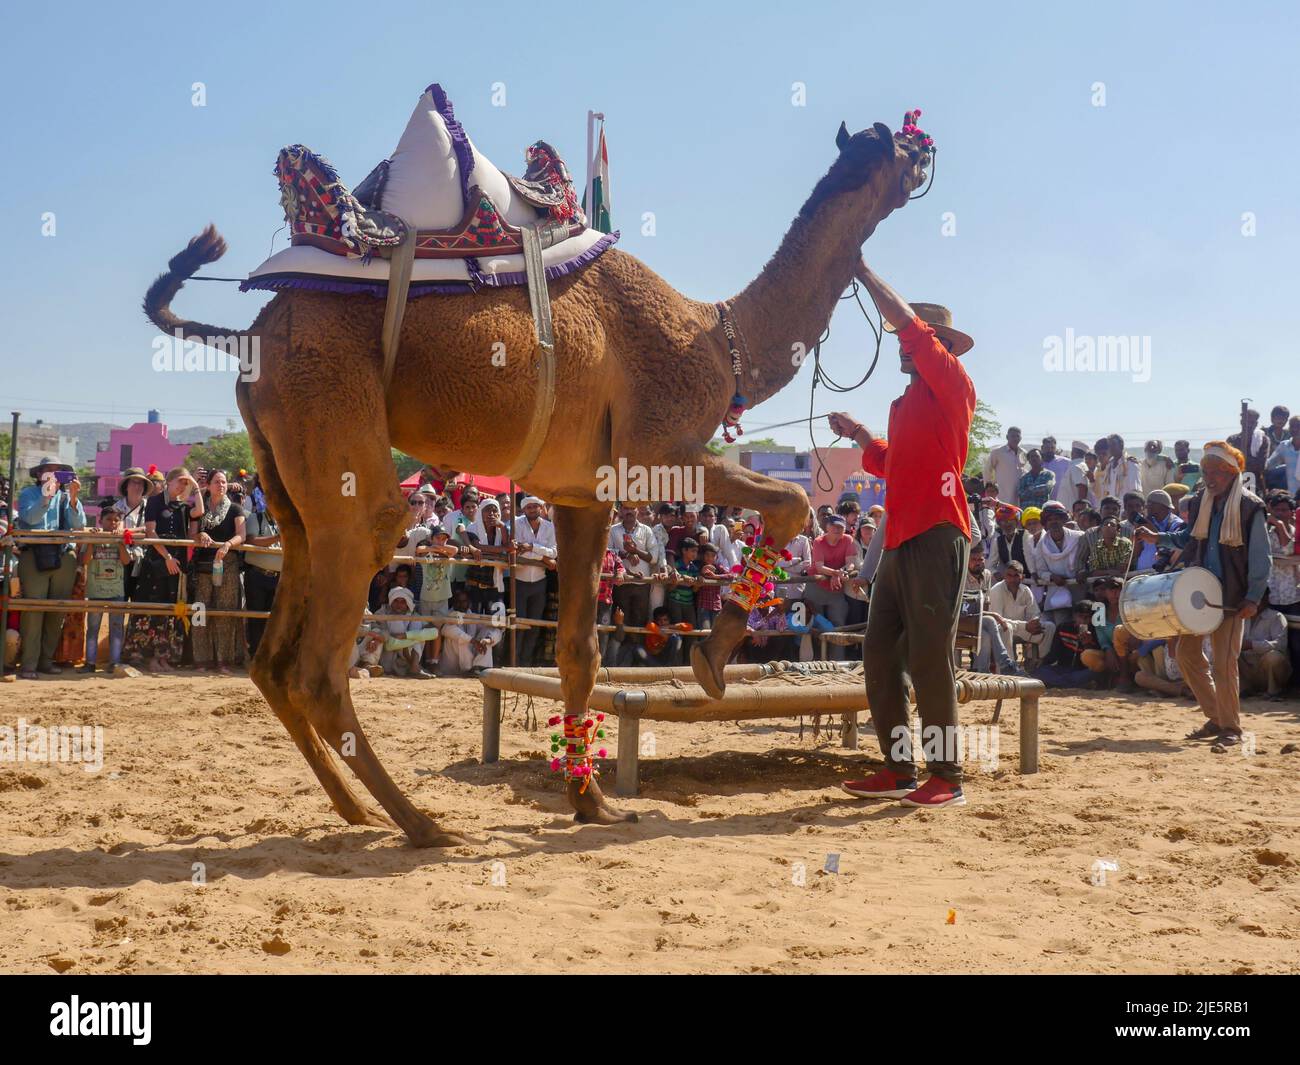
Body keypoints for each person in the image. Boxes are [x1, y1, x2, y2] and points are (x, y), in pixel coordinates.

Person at [831, 260, 977, 809]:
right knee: (879, 654)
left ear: (935, 346)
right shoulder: (907, 403)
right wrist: (860, 432)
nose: (900, 343)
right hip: (900, 540)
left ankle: (947, 775)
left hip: (937, 535)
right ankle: (898, 770)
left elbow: (907, 325)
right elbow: (895, 464)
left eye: (911, 337)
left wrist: (863, 271)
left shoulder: (952, 382)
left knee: (928, 657)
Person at [1135, 441, 1271, 747]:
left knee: (1224, 663)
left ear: (1231, 474)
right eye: (1206, 472)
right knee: (1186, 653)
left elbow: (1262, 558)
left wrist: (1253, 597)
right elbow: (1187, 537)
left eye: (1216, 473)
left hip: (1232, 598)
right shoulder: (1201, 503)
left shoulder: (1250, 507)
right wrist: (1159, 537)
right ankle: (1216, 718)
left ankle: (1232, 729)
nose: (1209, 478)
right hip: (1198, 592)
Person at [14, 457, 87, 679]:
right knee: (34, 611)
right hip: (33, 555)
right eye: (49, 471)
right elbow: (30, 518)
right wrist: (46, 496)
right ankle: (29, 664)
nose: (54, 475)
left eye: (58, 472)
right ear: (39, 475)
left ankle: (46, 661)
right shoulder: (28, 494)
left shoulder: (66, 496)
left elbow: (78, 525)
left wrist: (74, 498)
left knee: (56, 610)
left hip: (63, 556)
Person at [125, 467, 203, 672]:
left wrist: (195, 488)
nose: (182, 486)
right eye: (180, 482)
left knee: (170, 609)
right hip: (156, 562)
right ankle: (147, 657)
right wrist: (166, 556)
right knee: (153, 607)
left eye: (184, 483)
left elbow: (199, 511)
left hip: (176, 563)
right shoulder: (155, 501)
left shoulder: (182, 506)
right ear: (169, 481)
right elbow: (151, 531)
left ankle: (163, 657)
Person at [191, 470, 246, 673]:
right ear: (209, 485)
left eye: (224, 482)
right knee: (200, 611)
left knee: (225, 612)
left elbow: (241, 534)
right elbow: (191, 533)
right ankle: (201, 660)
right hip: (202, 566)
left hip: (227, 564)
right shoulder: (199, 509)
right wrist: (201, 534)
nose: (221, 485)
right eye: (217, 482)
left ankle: (224, 660)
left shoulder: (235, 509)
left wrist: (227, 545)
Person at [78, 505, 131, 674]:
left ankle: (114, 663)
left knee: (116, 628)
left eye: (116, 520)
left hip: (116, 591)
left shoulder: (122, 538)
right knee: (93, 628)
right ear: (100, 521)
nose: (113, 523)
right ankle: (90, 663)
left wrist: (119, 542)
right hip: (95, 591)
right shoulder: (93, 536)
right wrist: (94, 541)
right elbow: (85, 560)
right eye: (109, 519)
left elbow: (126, 561)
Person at [512, 496, 556, 666]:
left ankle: (525, 663)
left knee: (534, 625)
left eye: (534, 506)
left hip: (540, 581)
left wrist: (531, 547)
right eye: (528, 507)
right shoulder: (517, 524)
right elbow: (516, 550)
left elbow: (554, 553)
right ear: (524, 509)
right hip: (520, 580)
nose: (532, 509)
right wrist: (543, 557)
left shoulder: (549, 527)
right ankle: (514, 662)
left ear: (540, 508)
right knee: (519, 625)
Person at [987, 560, 1055, 665]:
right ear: (1004, 576)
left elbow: (1035, 613)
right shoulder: (996, 590)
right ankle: (1008, 667)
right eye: (1009, 575)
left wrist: (1035, 622)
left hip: (1022, 629)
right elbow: (998, 620)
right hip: (1004, 629)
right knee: (1006, 628)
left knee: (1049, 627)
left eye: (1016, 576)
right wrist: (1025, 626)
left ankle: (1035, 661)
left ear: (1022, 577)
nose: (1012, 579)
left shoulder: (1026, 590)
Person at [242, 499, 282, 659]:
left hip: (277, 576)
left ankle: (269, 654)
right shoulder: (255, 517)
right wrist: (278, 537)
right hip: (257, 575)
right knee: (256, 616)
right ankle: (255, 654)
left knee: (274, 617)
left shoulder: (283, 522)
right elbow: (251, 540)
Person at [1032, 600, 1100, 688]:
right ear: (1074, 616)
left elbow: (1096, 658)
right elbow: (1054, 654)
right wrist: (1042, 662)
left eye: (1087, 617)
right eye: (1080, 616)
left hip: (1082, 670)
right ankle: (1071, 683)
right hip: (1063, 669)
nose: (1083, 621)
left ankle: (1060, 683)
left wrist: (1087, 644)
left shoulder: (1096, 631)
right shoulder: (1063, 628)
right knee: (1040, 671)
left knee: (1091, 674)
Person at [438, 587, 502, 676]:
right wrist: (473, 641)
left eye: (464, 601)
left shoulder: (473, 616)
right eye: (458, 601)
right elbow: (447, 630)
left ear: (468, 603)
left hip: (472, 665)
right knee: (461, 639)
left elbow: (496, 631)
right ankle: (470, 670)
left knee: (487, 634)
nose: (461, 604)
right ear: (454, 602)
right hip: (452, 669)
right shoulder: (448, 616)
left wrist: (488, 639)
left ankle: (480, 667)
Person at [1238, 603, 1291, 699]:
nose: (1252, 601)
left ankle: (1274, 690)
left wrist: (1252, 645)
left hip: (1266, 669)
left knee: (1274, 657)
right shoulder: (1241, 616)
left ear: (1266, 598)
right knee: (1228, 653)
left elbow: (1280, 644)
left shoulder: (1276, 617)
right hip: (1247, 668)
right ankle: (1243, 689)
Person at [984, 427, 1027, 508]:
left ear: (1020, 438)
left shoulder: (1024, 453)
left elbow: (1026, 471)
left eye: (1017, 436)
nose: (1015, 438)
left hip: (1019, 495)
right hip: (1002, 494)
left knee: (1017, 516)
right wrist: (989, 491)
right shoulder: (998, 452)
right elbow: (987, 470)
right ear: (1007, 437)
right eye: (1013, 436)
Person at [1228, 408, 1271, 486]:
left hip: (1255, 482)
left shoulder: (1262, 440)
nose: (1249, 425)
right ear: (1241, 422)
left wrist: (1243, 463)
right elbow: (1229, 461)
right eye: (1247, 422)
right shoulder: (1232, 440)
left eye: (1252, 422)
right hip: (1234, 480)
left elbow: (1261, 464)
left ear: (1256, 424)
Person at [1264, 414, 1300, 495]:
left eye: (1298, 426)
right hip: (1293, 495)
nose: (1295, 429)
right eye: (1292, 426)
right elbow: (1269, 465)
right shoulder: (1284, 446)